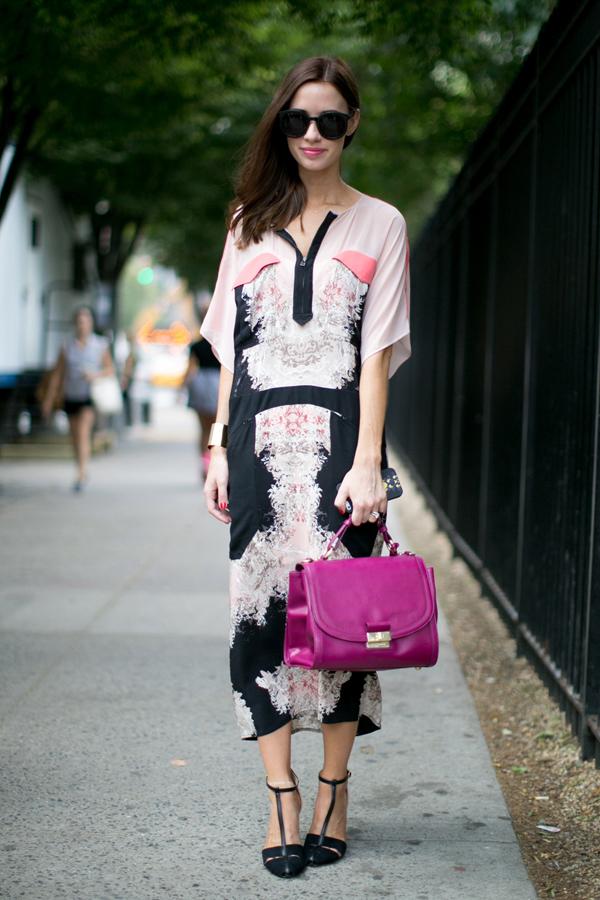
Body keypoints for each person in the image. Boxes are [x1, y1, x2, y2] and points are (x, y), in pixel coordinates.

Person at [200, 55, 411, 878]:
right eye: (298, 120)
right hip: (255, 444)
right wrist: (218, 443)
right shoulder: (247, 221)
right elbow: (232, 349)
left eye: (329, 120)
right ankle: (280, 797)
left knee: (341, 625)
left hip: (339, 451)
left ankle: (334, 787)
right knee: (258, 620)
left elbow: (378, 356)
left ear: (351, 123)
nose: (313, 135)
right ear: (281, 127)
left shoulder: (381, 224)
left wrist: (367, 464)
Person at [42, 305, 114, 491]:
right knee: (74, 437)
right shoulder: (67, 346)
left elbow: (110, 369)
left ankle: (81, 473)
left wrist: (94, 375)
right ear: (75, 324)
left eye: (86, 321)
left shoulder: (99, 345)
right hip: (70, 395)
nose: (82, 325)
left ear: (91, 323)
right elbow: (58, 374)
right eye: (79, 321)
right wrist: (49, 399)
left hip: (89, 396)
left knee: (83, 433)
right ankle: (80, 466)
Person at [182, 333, 220, 479]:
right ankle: (215, 461)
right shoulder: (220, 345)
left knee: (204, 430)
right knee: (218, 427)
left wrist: (183, 387)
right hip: (218, 385)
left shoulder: (196, 346)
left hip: (200, 385)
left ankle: (205, 464)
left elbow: (190, 369)